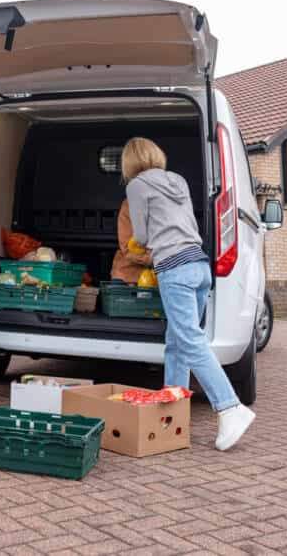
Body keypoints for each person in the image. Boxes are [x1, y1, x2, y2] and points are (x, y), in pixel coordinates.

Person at [123, 137, 256, 451]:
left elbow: (141, 235)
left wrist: (138, 244)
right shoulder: (178, 180)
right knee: (177, 341)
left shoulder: (137, 185)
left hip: (174, 267)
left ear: (129, 162)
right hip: (198, 264)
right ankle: (173, 412)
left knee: (189, 340)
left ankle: (230, 407)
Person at [109, 199, 153, 284]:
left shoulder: (168, 203)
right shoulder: (129, 204)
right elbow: (127, 248)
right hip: (127, 273)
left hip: (161, 275)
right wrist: (155, 258)